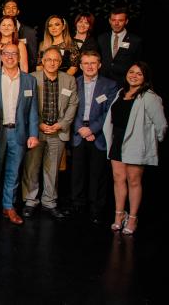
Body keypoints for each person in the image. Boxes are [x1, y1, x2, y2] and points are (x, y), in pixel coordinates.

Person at [104, 62, 166, 235]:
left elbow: (161, 125)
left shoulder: (150, 97)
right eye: (131, 72)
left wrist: (151, 143)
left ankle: (132, 218)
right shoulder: (120, 93)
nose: (134, 76)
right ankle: (118, 215)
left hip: (136, 143)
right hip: (117, 141)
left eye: (139, 74)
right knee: (118, 178)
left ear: (145, 77)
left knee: (133, 180)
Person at [0, 43, 39, 226]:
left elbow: (32, 110)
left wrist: (33, 134)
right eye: (6, 53)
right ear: (1, 56)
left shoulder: (29, 80)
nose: (10, 57)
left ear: (19, 56)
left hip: (19, 132)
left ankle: (9, 206)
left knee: (13, 172)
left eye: (14, 54)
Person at [22, 47, 79, 219]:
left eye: (56, 60)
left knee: (52, 169)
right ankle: (30, 201)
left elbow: (73, 104)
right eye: (48, 59)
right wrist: (38, 124)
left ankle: (50, 201)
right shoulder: (32, 78)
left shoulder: (69, 80)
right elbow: (26, 103)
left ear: (61, 63)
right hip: (36, 131)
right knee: (31, 168)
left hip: (58, 132)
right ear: (43, 61)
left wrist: (61, 124)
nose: (52, 63)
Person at [71, 50, 118, 224]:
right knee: (78, 173)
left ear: (99, 65)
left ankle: (96, 208)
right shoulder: (74, 83)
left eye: (93, 63)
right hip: (78, 133)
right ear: (81, 65)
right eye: (86, 63)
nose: (89, 66)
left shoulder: (110, 85)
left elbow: (109, 112)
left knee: (97, 174)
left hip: (98, 135)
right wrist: (81, 129)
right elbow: (69, 110)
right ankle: (77, 204)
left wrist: (92, 130)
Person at [97, 7, 143, 83]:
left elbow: (138, 64)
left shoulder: (135, 40)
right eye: (113, 20)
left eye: (120, 20)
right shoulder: (101, 38)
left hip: (124, 83)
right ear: (109, 21)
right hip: (103, 81)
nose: (116, 23)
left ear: (126, 21)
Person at [1, 0, 38, 65]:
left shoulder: (29, 32)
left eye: (14, 8)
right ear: (3, 11)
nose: (11, 10)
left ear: (18, 11)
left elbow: (33, 59)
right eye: (8, 7)